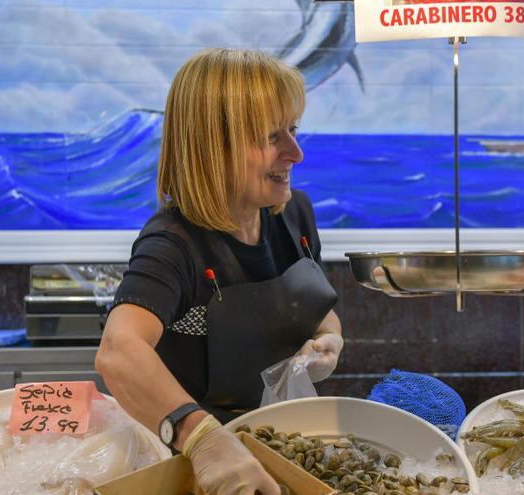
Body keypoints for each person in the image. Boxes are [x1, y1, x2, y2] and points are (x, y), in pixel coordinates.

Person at [94, 48, 344, 494]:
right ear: (213, 147)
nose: (296, 153)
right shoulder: (172, 244)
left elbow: (316, 307)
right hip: (202, 469)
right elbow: (118, 350)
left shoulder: (295, 215)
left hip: (284, 444)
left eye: (293, 129)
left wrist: (329, 338)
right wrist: (203, 440)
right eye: (272, 137)